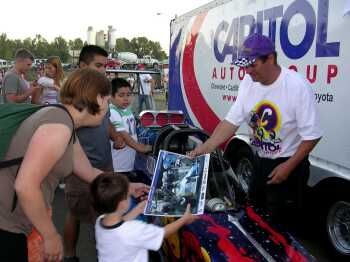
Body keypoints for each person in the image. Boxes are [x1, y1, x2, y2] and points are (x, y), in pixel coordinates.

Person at [189, 33, 323, 220]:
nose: (248, 71)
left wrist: (288, 166)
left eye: (253, 65)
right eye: (245, 66)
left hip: (290, 165)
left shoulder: (296, 86)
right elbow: (231, 122)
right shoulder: (248, 82)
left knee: (283, 225)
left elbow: (313, 135)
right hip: (261, 161)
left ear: (270, 58)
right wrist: (205, 148)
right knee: (255, 213)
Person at [0, 68, 111, 261]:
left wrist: (127, 185)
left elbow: (89, 171)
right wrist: (50, 235)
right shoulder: (58, 125)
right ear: (99, 99)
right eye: (107, 99)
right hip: (6, 226)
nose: (108, 106)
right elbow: (25, 186)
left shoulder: (62, 121)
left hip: (14, 222)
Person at [63, 45, 124, 262]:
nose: (103, 71)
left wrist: (115, 136)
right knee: (76, 214)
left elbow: (105, 123)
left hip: (101, 167)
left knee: (105, 215)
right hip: (80, 172)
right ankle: (69, 256)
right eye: (98, 65)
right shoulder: (67, 112)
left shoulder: (99, 93)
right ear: (82, 66)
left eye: (105, 67)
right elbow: (26, 186)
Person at [90, 172, 197, 262]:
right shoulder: (133, 230)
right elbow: (162, 233)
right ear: (122, 204)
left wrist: (138, 209)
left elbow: (119, 223)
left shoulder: (101, 221)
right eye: (128, 195)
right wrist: (184, 219)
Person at [109, 78, 152, 175]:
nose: (126, 98)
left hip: (127, 163)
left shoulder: (127, 110)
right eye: (121, 95)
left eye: (128, 95)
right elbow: (123, 135)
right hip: (117, 166)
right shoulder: (112, 112)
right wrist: (141, 148)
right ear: (111, 96)